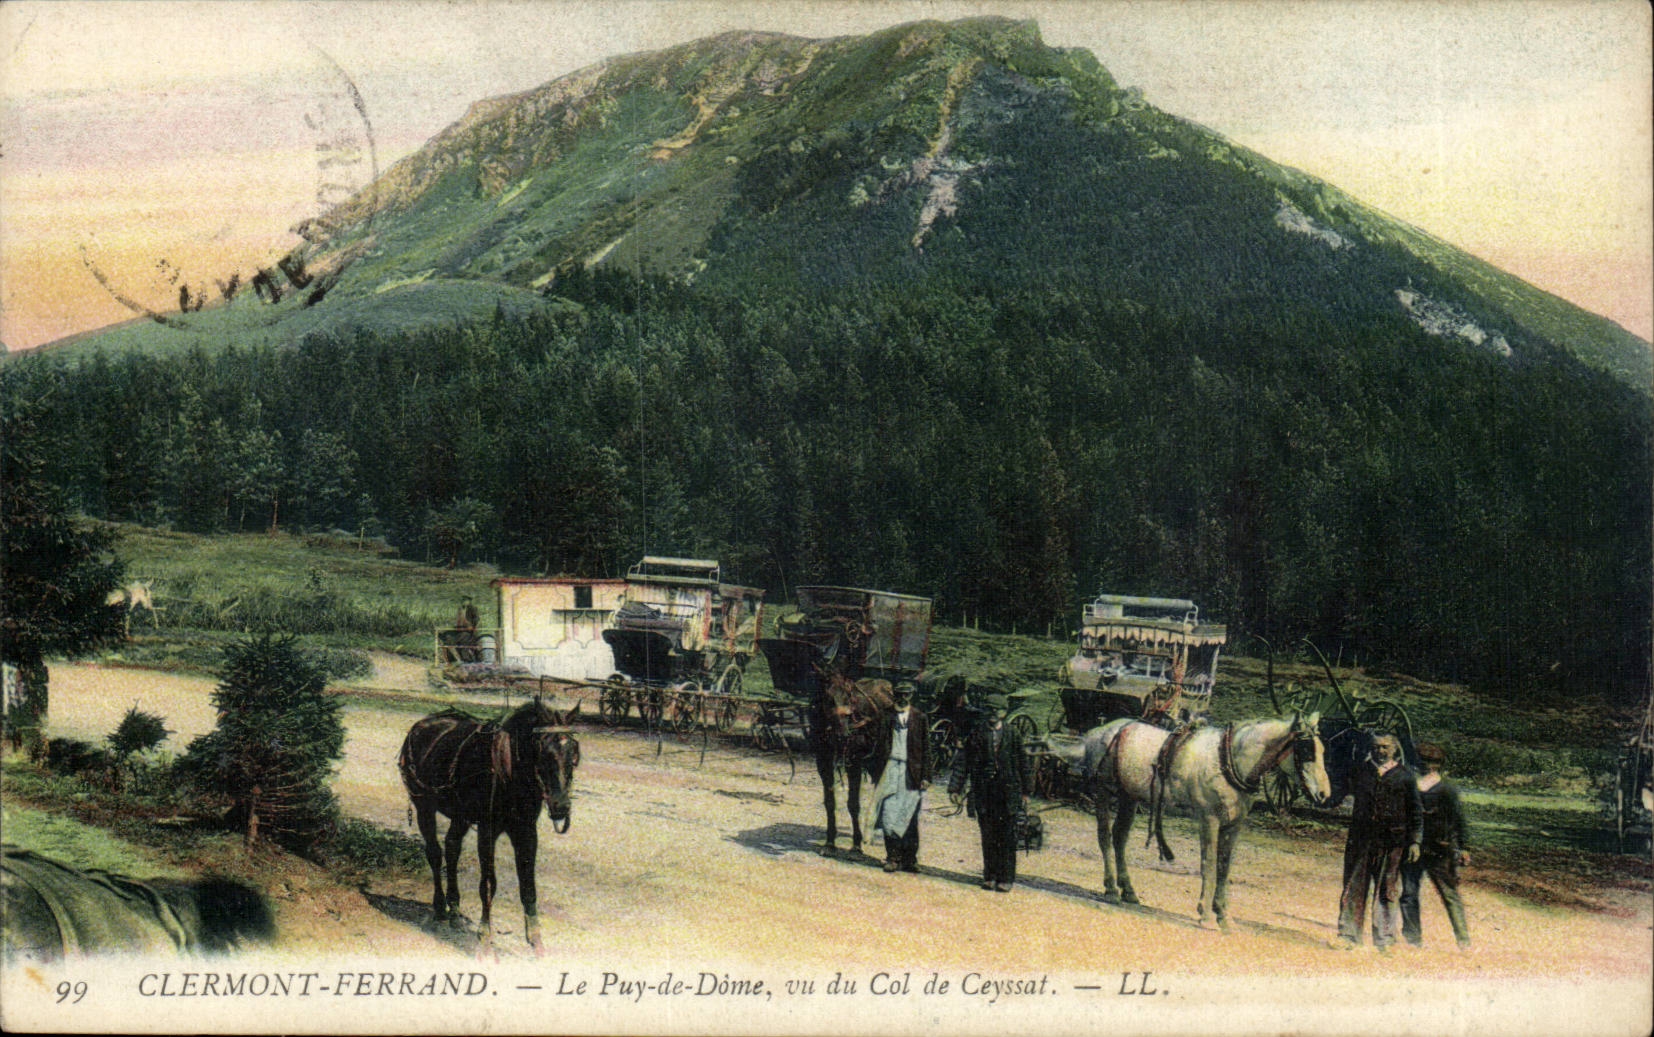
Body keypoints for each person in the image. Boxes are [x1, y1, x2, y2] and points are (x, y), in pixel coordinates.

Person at [1333, 731, 1422, 952]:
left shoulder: (1406, 776)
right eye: (1375, 747)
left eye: (1385, 747)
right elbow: (1337, 793)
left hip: (1392, 843)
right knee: (1354, 887)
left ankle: (1385, 940)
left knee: (1387, 890)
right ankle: (1348, 936)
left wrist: (1415, 841)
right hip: (1361, 841)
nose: (1380, 751)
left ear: (1394, 750)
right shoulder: (1360, 772)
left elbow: (1416, 812)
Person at [948, 694, 1031, 892]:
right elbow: (963, 763)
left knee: (1008, 836)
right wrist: (955, 788)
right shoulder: (976, 734)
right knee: (988, 834)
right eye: (990, 710)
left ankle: (1006, 878)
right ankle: (990, 876)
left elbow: (1024, 765)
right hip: (984, 793)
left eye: (997, 711)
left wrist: (1027, 792)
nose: (993, 715)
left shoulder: (1013, 734)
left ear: (1004, 713)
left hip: (1008, 793)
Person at [1401, 742, 1472, 950]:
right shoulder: (1410, 784)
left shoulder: (1447, 789)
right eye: (1423, 760)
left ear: (1439, 765)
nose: (1427, 765)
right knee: (1409, 893)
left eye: (1433, 762)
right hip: (1413, 848)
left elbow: (1459, 819)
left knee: (1449, 894)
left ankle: (1463, 940)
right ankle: (1413, 939)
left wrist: (1464, 847)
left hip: (1439, 849)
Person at [873, 682, 930, 873]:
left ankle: (910, 859)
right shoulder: (885, 715)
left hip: (911, 771)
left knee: (910, 814)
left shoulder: (919, 718)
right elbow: (877, 746)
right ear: (894, 695)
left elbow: (926, 749)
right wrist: (876, 773)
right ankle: (892, 857)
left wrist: (926, 776)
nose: (903, 698)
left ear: (912, 696)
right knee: (889, 813)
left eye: (907, 694)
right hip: (890, 769)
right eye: (899, 694)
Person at [454, 596, 480, 663]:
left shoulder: (473, 608)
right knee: (461, 643)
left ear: (469, 601)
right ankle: (465, 658)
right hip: (461, 629)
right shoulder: (461, 609)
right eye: (463, 601)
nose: (463, 602)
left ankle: (468, 659)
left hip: (469, 630)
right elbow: (458, 619)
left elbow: (476, 619)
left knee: (467, 644)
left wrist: (472, 626)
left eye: (465, 600)